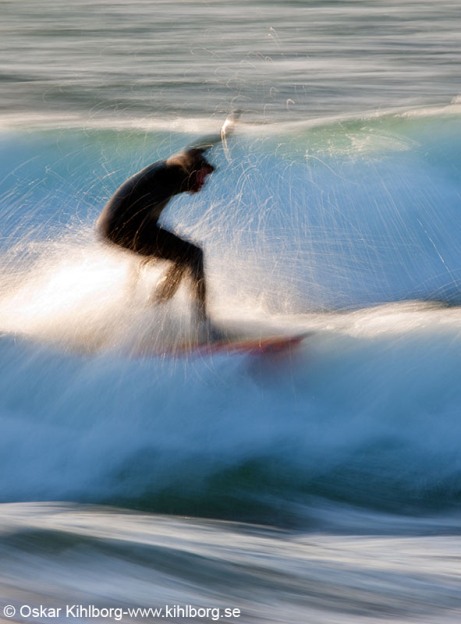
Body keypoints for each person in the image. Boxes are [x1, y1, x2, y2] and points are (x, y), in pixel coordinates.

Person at [96, 143, 217, 330]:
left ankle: (153, 312)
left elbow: (189, 153)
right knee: (193, 254)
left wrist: (214, 140)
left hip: (121, 226)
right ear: (192, 170)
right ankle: (203, 326)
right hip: (123, 226)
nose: (204, 182)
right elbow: (186, 157)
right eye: (203, 175)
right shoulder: (172, 174)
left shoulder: (175, 172)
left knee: (183, 258)